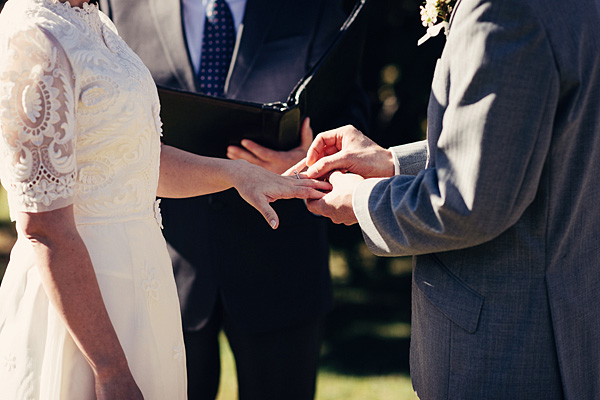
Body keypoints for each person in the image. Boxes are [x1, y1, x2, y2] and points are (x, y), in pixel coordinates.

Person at [0, 0, 330, 398]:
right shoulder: (32, 34)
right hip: (86, 312)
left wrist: (237, 175)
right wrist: (110, 370)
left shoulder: (93, 21)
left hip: (142, 296)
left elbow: (132, 158)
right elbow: (44, 228)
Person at [290, 0, 600, 398]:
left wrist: (362, 199)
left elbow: (467, 203)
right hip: (564, 319)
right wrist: (392, 162)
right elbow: (525, 141)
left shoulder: (503, 10)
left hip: (507, 348)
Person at [97, 0, 370, 399]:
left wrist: (311, 158)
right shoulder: (116, 5)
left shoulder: (314, 5)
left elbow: (351, 108)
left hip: (282, 269)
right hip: (161, 269)